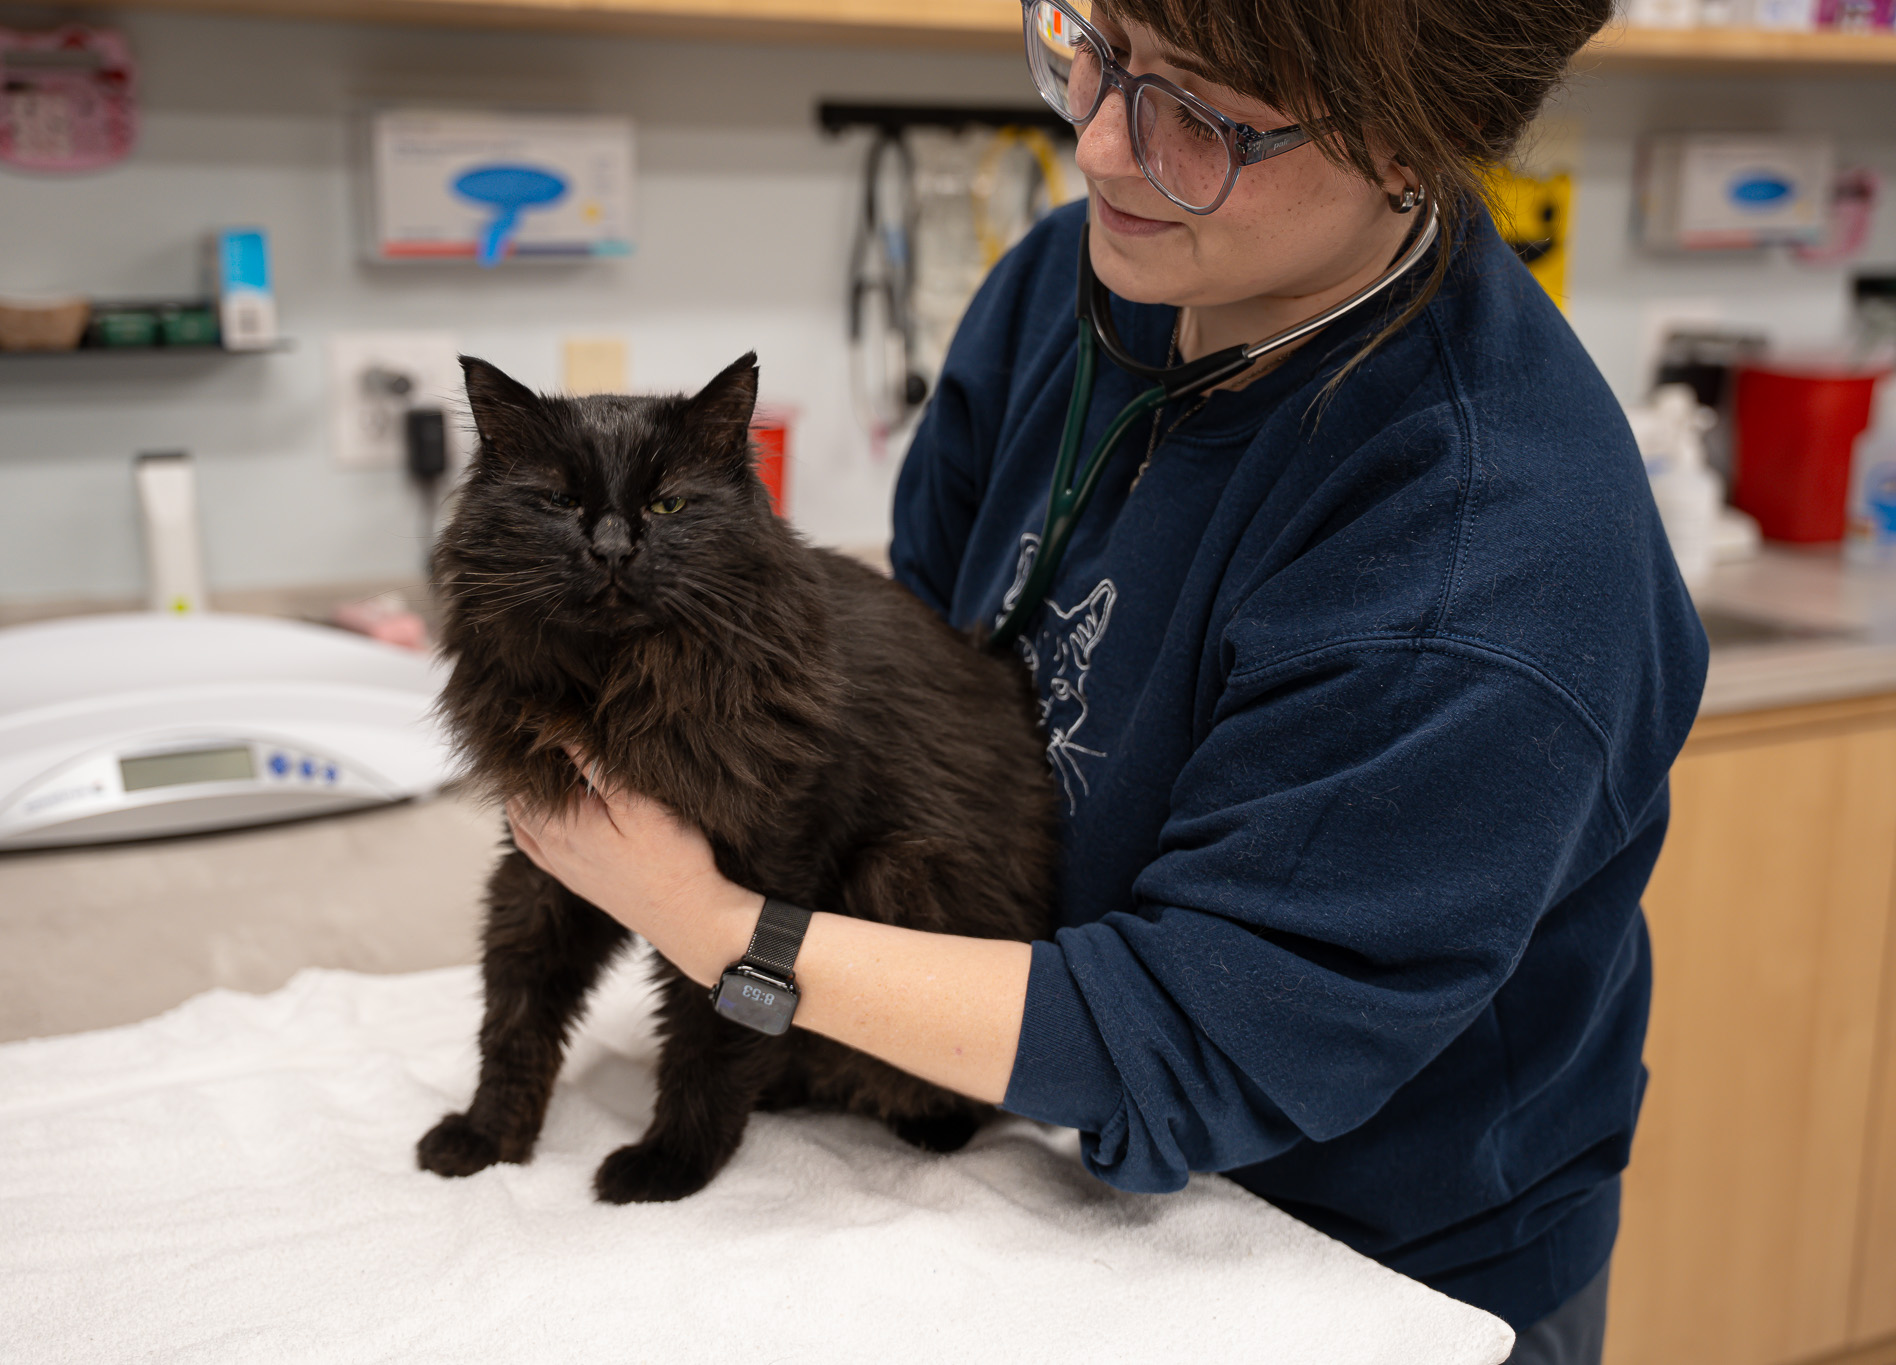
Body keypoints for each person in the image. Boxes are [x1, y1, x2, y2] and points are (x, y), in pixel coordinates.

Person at [506, 0, 1708, 1360]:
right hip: (1048, 1152)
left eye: (1200, 112)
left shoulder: (1477, 555)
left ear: (1410, 146)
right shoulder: (1099, 274)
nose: (1101, 147)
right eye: (1096, 43)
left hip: (1373, 1264)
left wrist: (724, 929)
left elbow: (1198, 1032)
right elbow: (922, 657)